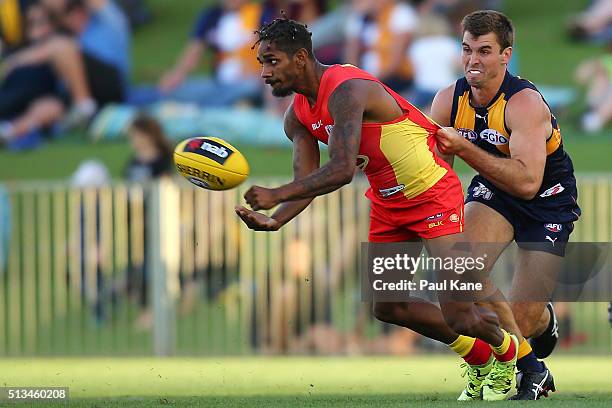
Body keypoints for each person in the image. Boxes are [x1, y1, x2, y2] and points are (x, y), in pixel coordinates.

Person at [233, 16, 519, 401]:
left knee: (459, 314)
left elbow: (340, 170)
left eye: (272, 61)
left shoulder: (347, 90)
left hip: (433, 193)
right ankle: (480, 357)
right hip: (389, 204)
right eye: (262, 64)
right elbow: (308, 181)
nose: (265, 73)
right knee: (389, 306)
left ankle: (510, 353)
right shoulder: (297, 115)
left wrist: (275, 194)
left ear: (300, 58)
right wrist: (276, 217)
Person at [430, 10, 581, 400]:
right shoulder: (448, 101)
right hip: (495, 191)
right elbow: (437, 175)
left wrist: (464, 147)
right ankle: (529, 368)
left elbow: (529, 183)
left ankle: (543, 325)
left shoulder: (524, 103)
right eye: (466, 50)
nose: (473, 61)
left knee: (523, 318)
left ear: (505, 55)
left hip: (547, 202)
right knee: (457, 272)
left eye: (484, 51)